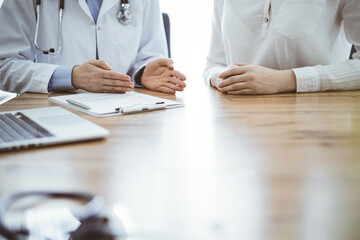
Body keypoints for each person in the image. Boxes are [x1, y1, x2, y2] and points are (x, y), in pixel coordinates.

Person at [0, 0, 186, 95]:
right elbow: (5, 66)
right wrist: (70, 76)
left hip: (126, 116)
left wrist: (143, 72)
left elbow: (151, 52)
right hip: (54, 111)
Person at [204, 0, 360, 95]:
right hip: (237, 125)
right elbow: (213, 65)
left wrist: (287, 80)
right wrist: (222, 78)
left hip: (316, 124)